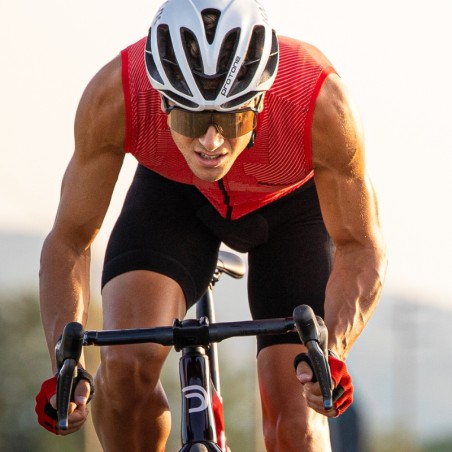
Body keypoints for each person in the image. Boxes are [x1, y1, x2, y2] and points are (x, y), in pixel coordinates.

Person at [35, 0, 387, 450]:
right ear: (161, 99)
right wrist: (64, 366)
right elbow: (69, 239)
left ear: (260, 99)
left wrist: (332, 350)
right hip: (174, 196)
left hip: (291, 208)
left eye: (230, 118)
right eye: (191, 118)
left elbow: (361, 247)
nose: (210, 141)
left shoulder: (320, 102)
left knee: (297, 422)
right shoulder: (116, 94)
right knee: (123, 368)